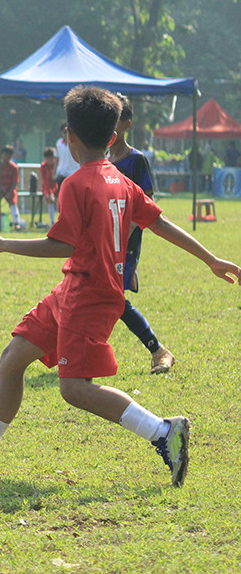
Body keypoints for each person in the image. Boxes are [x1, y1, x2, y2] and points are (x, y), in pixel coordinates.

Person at [0, 86, 241, 488]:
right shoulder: (120, 180)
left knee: (75, 389)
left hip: (89, 296)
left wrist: (3, 244)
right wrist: (210, 258)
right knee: (14, 356)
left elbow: (64, 244)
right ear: (112, 137)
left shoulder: (76, 183)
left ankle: (163, 432)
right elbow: (159, 222)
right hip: (76, 288)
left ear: (68, 137)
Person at [108, 95, 175, 374]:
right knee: (102, 298)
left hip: (126, 242)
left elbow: (147, 202)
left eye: (115, 118)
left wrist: (127, 230)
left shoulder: (136, 160)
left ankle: (158, 350)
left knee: (114, 300)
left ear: (126, 123)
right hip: (103, 243)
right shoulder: (101, 159)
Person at [0, 145, 21, 230]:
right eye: (5, 154)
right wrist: (0, 188)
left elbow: (15, 182)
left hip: (10, 189)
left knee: (13, 202)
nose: (6, 157)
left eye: (9, 155)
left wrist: (10, 191)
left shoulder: (14, 167)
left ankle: (16, 222)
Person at [54, 123, 79, 188]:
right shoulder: (59, 143)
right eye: (64, 132)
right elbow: (57, 158)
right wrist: (54, 173)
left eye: (68, 132)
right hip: (62, 173)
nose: (66, 134)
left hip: (73, 173)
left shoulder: (75, 143)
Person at [39, 147, 58, 225]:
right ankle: (52, 221)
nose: (50, 160)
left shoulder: (57, 165)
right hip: (47, 187)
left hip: (56, 186)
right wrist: (50, 193)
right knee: (50, 199)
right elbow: (45, 181)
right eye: (48, 158)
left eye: (51, 158)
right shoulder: (43, 166)